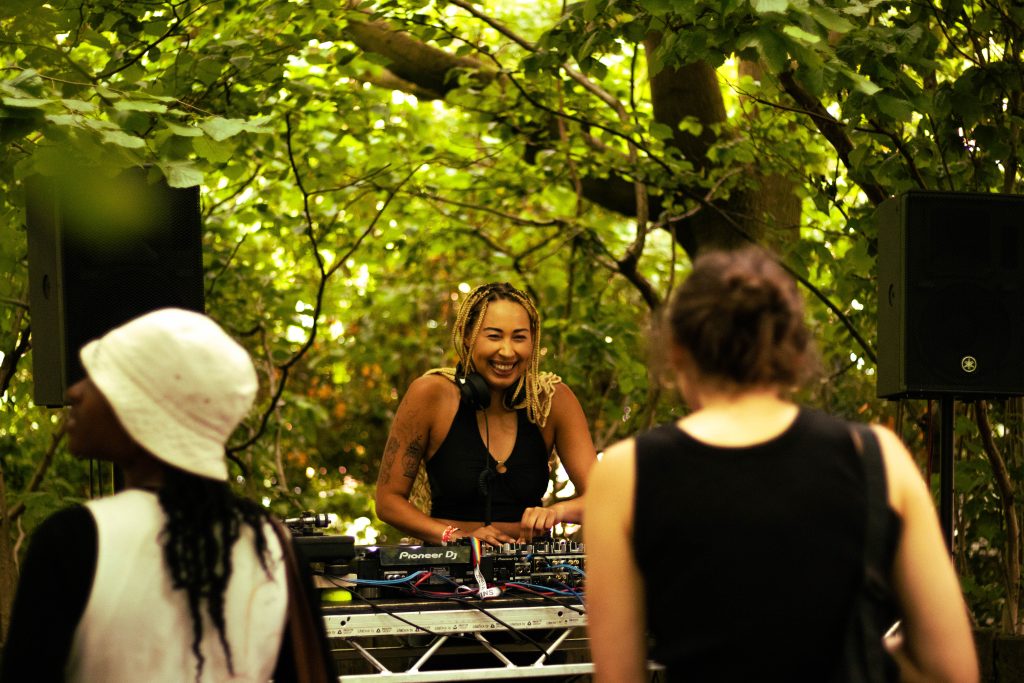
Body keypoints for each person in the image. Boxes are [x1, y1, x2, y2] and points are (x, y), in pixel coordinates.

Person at [584, 247, 979, 682]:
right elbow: (953, 669)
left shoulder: (625, 473)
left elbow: (619, 676)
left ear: (677, 351)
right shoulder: (877, 457)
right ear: (793, 350)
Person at [1, 308, 292, 682]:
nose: (75, 390)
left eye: (97, 377)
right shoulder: (270, 543)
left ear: (144, 408)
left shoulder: (73, 540)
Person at [375, 282, 597, 546]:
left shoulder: (552, 400)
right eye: (493, 336)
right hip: (449, 573)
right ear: (467, 335)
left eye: (519, 337)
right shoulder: (430, 394)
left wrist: (556, 512)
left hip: (531, 579)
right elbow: (388, 502)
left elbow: (605, 497)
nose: (507, 351)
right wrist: (457, 538)